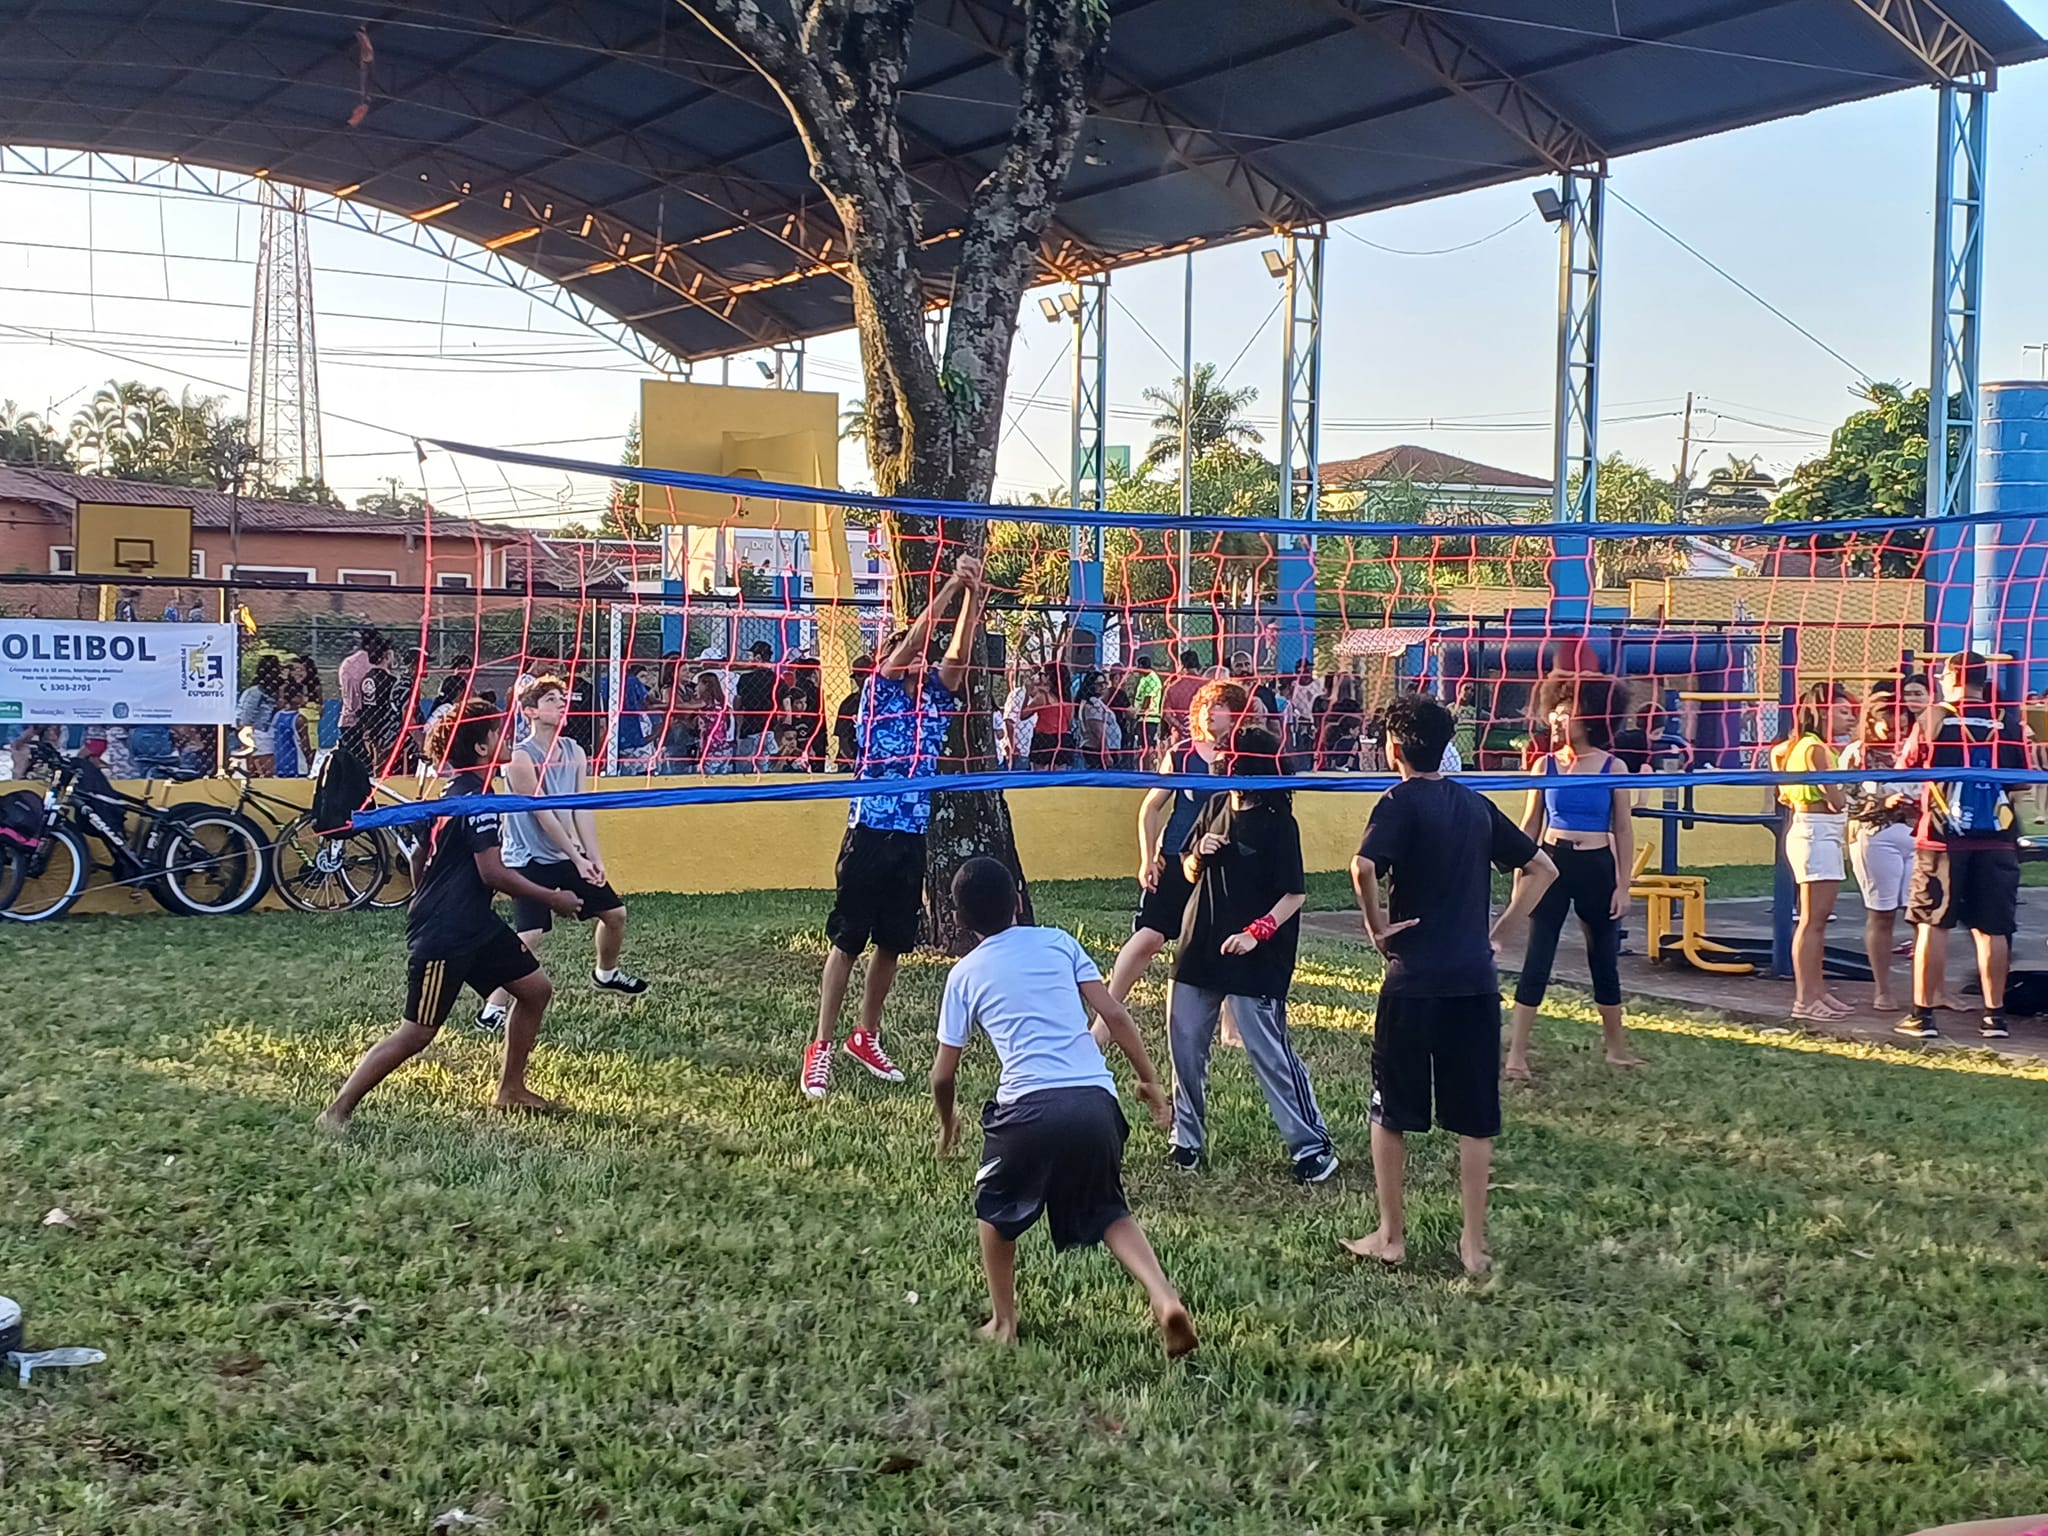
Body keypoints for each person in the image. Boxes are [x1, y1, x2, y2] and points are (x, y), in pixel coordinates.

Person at [931, 856, 1196, 1357]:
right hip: (1095, 1101)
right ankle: (1164, 1298)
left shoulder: (964, 975)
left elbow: (943, 1074)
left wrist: (948, 1122)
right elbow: (1114, 1013)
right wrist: (1150, 1080)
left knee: (995, 1210)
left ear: (958, 917)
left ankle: (1004, 1321)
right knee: (1108, 1208)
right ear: (1017, 901)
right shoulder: (1058, 941)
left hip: (1027, 1111)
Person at [1344, 691, 1558, 1276]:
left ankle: (1391, 1235)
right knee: (1475, 1114)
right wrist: (1500, 932)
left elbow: (1362, 867)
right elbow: (1543, 868)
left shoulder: (1397, 801)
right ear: (1448, 746)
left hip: (1413, 981)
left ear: (1393, 748)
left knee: (1390, 1111)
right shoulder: (1475, 804)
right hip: (1474, 982)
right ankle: (1473, 1246)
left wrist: (1375, 927)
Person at [318, 700, 582, 1129]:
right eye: (498, 733)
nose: (507, 738)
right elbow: (492, 871)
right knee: (417, 1033)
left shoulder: (452, 795)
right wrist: (553, 898)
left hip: (472, 921)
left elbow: (421, 857)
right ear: (481, 748)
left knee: (535, 990)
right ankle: (336, 1111)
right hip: (448, 931)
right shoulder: (476, 802)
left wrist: (433, 893)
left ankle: (511, 1090)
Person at [805, 555, 986, 1100]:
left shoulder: (933, 698)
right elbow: (916, 642)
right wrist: (953, 584)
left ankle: (867, 1035)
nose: (916, 661)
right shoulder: (876, 695)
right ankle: (822, 1047)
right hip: (869, 833)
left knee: (892, 942)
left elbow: (956, 653)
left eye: (917, 658)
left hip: (911, 835)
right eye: (905, 654)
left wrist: (974, 598)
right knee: (847, 941)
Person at [1165, 726, 1336, 1183]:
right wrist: (1197, 855)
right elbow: (1186, 867)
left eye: (1227, 756)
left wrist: (1255, 934)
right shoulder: (1215, 804)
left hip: (1257, 955)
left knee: (1269, 1052)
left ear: (1250, 766)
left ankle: (1312, 1147)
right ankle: (1187, 1141)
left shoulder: (1280, 823)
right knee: (1184, 1048)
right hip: (1199, 944)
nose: (1218, 761)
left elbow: (1293, 895)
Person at [476, 675, 648, 1032]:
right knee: (530, 934)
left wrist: (592, 856)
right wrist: (578, 857)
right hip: (528, 859)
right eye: (553, 699)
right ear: (531, 712)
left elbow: (580, 807)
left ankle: (606, 973)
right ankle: (492, 1008)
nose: (562, 704)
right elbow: (545, 817)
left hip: (565, 855)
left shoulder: (573, 750)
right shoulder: (521, 758)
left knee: (615, 914)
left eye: (563, 698)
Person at [1504, 677, 1646, 1078]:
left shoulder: (1612, 766)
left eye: (1571, 712)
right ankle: (1517, 1054)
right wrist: (1521, 872)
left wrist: (1623, 885)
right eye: (1558, 711)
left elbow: (1623, 829)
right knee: (1538, 958)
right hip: (1550, 865)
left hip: (1596, 865)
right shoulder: (1543, 764)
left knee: (1603, 958)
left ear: (1593, 719)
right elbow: (1530, 824)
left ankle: (1616, 1048)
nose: (1560, 719)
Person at [1091, 679, 1246, 1040]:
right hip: (1177, 860)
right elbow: (1151, 808)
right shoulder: (1181, 754)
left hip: (1223, 866)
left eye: (1219, 705)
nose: (1209, 711)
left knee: (1227, 942)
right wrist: (1148, 859)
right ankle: (1103, 1025)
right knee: (1148, 938)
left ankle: (1231, 1031)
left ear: (1235, 714)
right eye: (1205, 704)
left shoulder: (1245, 758)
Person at [1898, 651, 2028, 1041]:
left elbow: (1906, 767)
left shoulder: (1936, 716)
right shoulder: (2006, 721)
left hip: (1943, 836)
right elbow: (2018, 781)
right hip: (1998, 839)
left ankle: (1922, 1016)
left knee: (1932, 925)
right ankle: (1994, 1018)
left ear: (1953, 675)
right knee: (1993, 929)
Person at [1771, 684, 1857, 1021]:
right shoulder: (1817, 749)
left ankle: (1818, 991)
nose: (1849, 717)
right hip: (1817, 831)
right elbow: (1835, 801)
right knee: (1812, 920)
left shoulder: (1788, 748)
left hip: (1810, 829)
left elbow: (1782, 791)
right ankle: (1805, 999)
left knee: (1816, 921)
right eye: (1842, 711)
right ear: (1823, 711)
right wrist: (1848, 790)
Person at [1841, 690, 1920, 1013]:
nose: (1895, 722)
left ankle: (1930, 989)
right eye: (1886, 714)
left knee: (1924, 916)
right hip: (1876, 834)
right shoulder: (1857, 754)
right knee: (1882, 912)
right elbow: (1847, 801)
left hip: (1918, 835)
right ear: (1871, 719)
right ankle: (1883, 989)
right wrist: (1882, 804)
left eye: (1900, 714)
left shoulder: (1917, 749)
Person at [234, 654, 284, 776]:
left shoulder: (275, 690)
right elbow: (245, 716)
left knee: (267, 771)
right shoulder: (255, 692)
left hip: (269, 733)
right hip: (258, 734)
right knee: (264, 770)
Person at [732, 641, 779, 767]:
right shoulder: (776, 679)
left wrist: (738, 720)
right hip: (769, 728)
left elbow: (738, 703)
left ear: (758, 658)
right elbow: (784, 703)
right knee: (763, 764)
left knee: (744, 766)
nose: (749, 660)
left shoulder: (745, 679)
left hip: (749, 727)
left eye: (750, 656)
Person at [1074, 669, 1121, 770]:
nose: (1103, 687)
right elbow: (1098, 732)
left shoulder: (1097, 703)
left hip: (1105, 748)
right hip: (1097, 750)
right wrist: (1106, 753)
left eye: (1104, 683)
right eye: (1099, 684)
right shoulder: (1091, 705)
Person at [833, 656, 873, 772]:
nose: (857, 679)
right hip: (851, 757)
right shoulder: (848, 703)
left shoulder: (882, 701)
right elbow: (843, 739)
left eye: (861, 675)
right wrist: (853, 760)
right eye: (855, 676)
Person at [1162, 647, 1205, 740]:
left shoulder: (1173, 687)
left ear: (1181, 665)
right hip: (1202, 732)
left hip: (1180, 736)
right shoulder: (1206, 685)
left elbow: (1166, 714)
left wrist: (1182, 728)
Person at [1129, 654, 1164, 762]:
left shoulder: (1152, 679)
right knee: (1142, 745)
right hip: (1142, 717)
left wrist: (1139, 713)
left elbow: (1148, 699)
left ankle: (1147, 766)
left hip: (1148, 718)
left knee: (1147, 746)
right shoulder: (1144, 678)